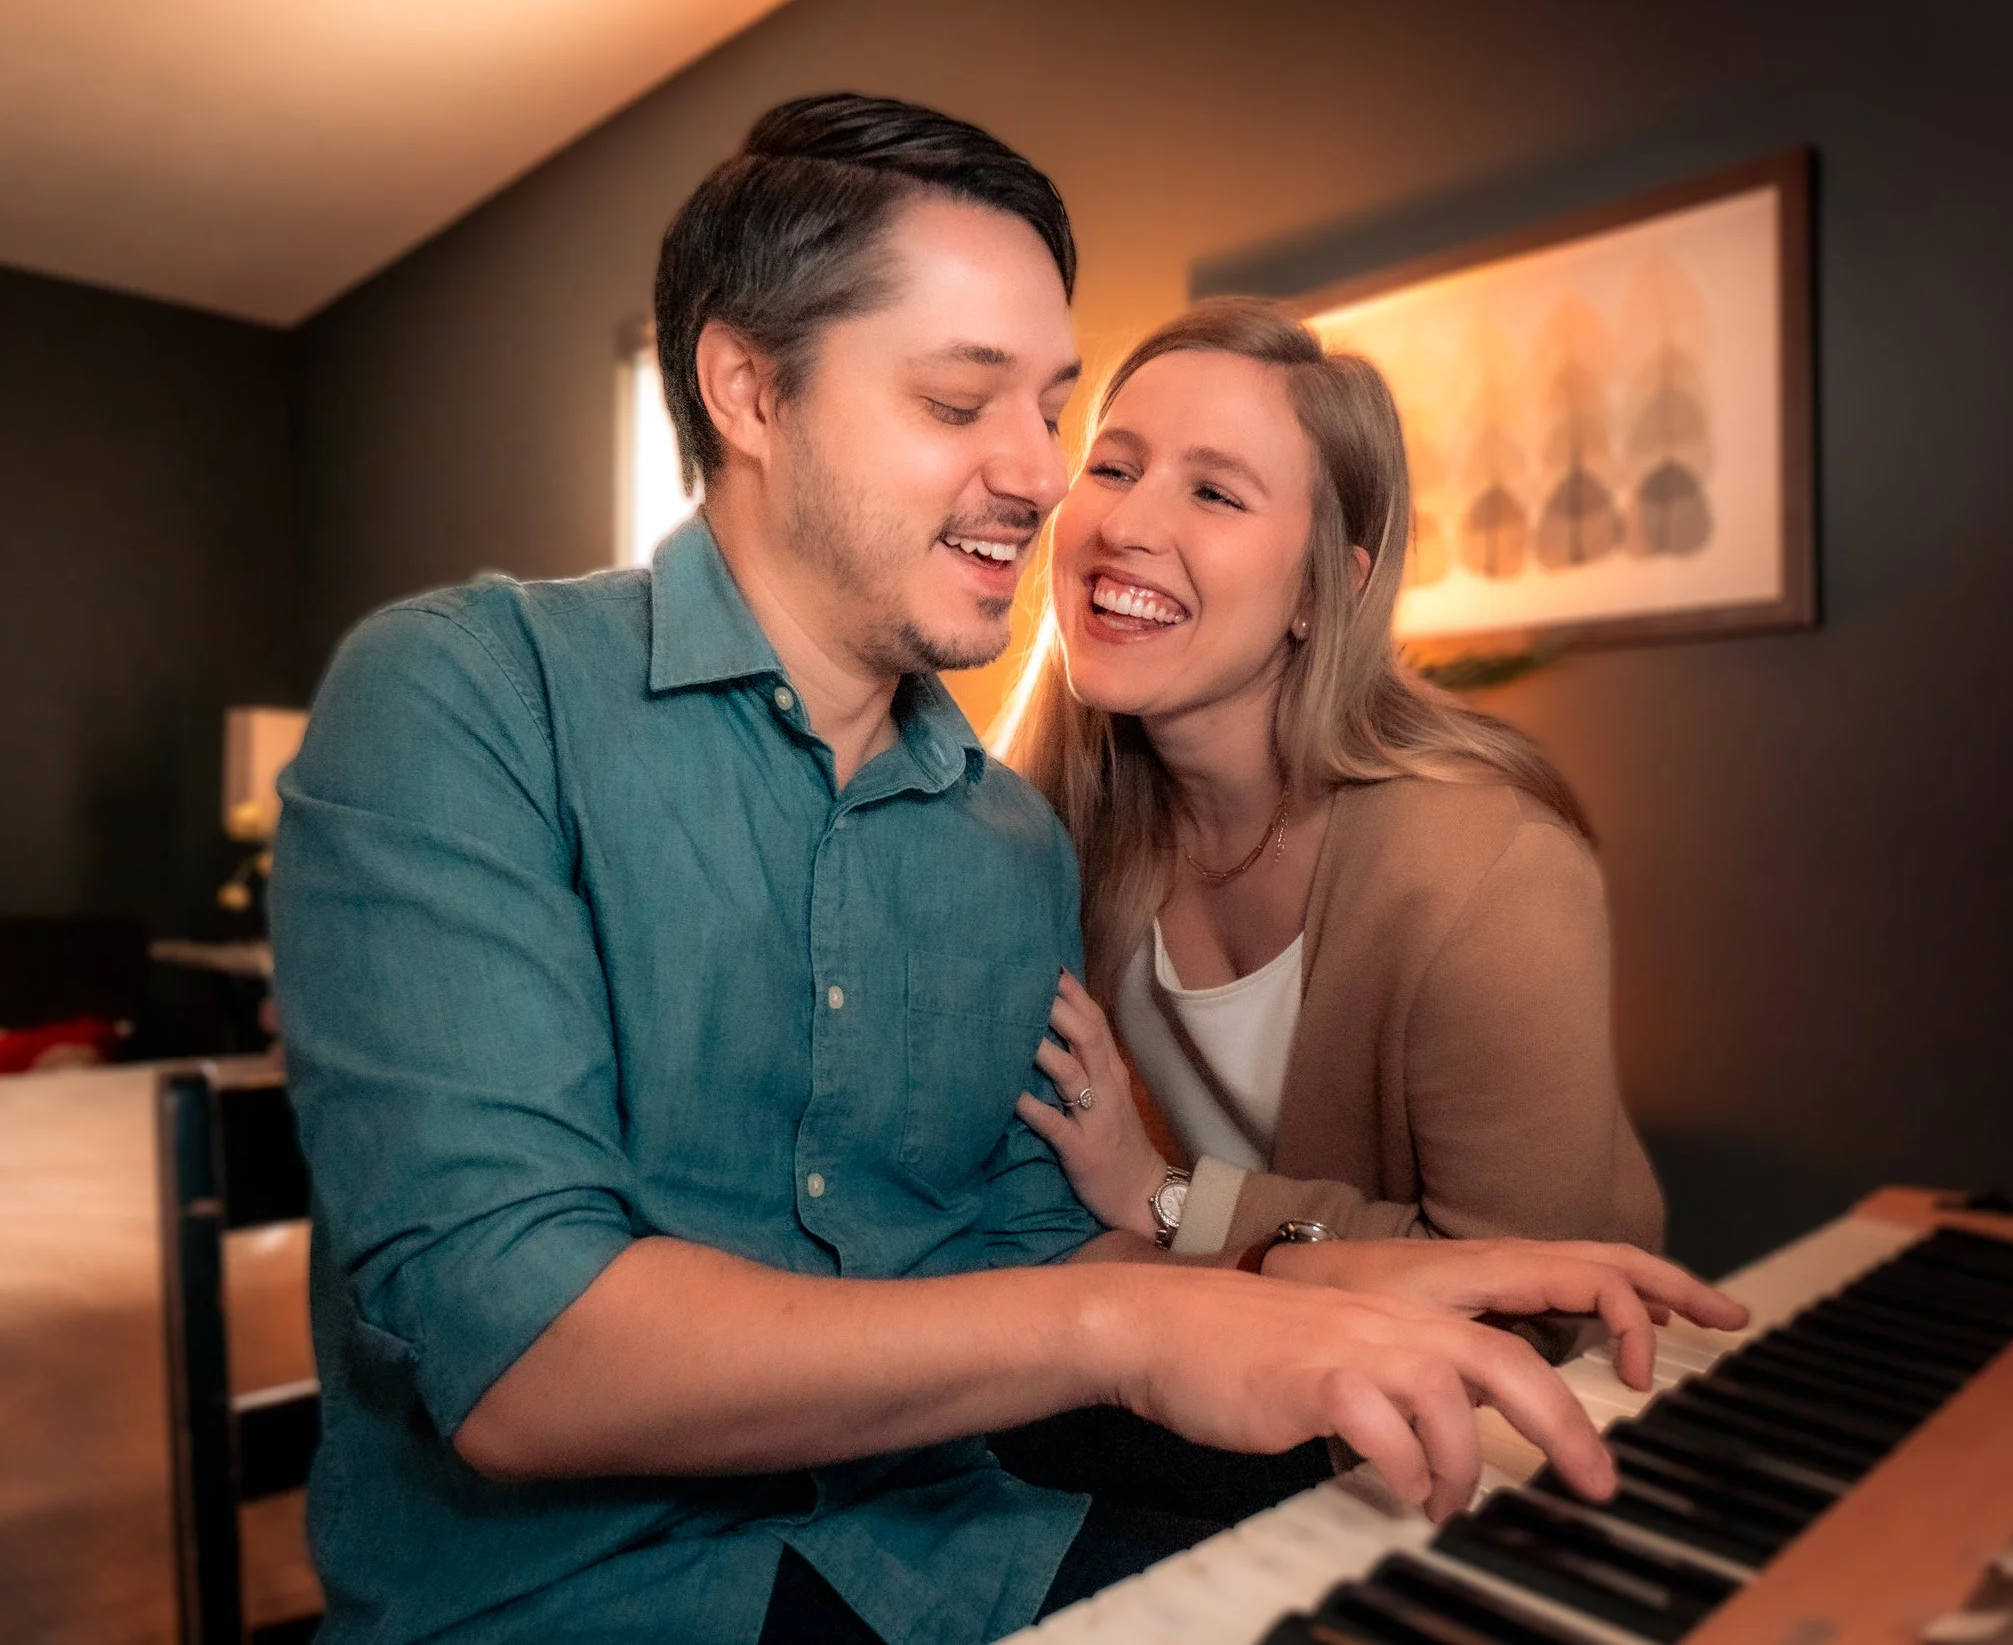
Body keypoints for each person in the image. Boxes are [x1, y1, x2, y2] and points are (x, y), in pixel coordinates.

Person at [270, 94, 1742, 1645]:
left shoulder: (1007, 837)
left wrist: (1326, 1291)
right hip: (572, 1597)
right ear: (748, 387)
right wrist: (1148, 1318)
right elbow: (527, 1357)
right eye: (963, 402)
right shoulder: (466, 695)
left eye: (1048, 406)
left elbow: (1033, 1244)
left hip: (944, 1544)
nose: (1047, 481)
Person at [996, 299, 1667, 1263]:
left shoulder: (1486, 873)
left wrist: (1165, 1196)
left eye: (1216, 493)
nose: (1127, 524)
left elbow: (1538, 1284)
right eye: (1113, 467)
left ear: (1324, 588)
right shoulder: (1050, 827)